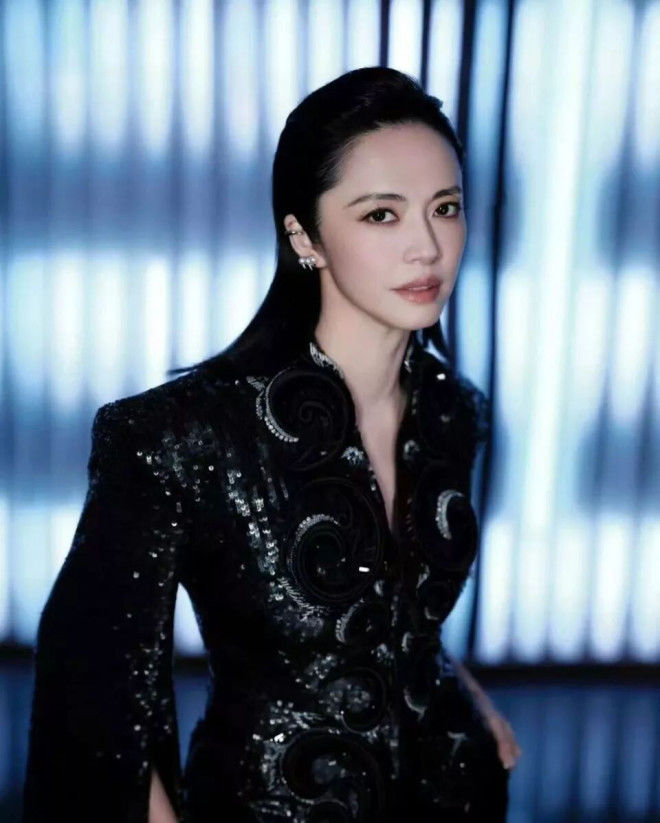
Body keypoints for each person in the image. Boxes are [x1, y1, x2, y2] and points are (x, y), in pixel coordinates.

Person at [22, 66, 521, 822]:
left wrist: (465, 693)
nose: (427, 246)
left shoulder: (454, 411)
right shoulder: (184, 434)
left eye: (444, 208)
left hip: (456, 794)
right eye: (381, 215)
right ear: (304, 236)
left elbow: (397, 613)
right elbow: (92, 681)